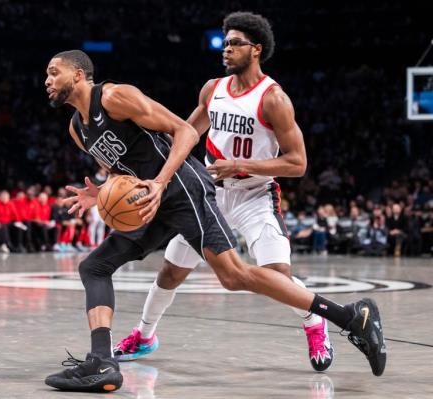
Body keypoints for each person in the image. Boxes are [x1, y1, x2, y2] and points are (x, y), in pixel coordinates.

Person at [43, 49, 386, 393]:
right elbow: (124, 170)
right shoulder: (78, 129)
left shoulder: (116, 96)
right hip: (151, 200)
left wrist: (161, 183)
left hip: (181, 189)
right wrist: (101, 193)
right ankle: (102, 362)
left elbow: (186, 132)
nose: (47, 80)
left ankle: (351, 317)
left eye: (53, 72)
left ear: (78, 74)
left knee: (234, 276)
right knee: (95, 267)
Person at [114, 11, 333, 372]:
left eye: (235, 44)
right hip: (209, 195)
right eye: (225, 43)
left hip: (254, 195)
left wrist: (242, 166)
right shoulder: (212, 89)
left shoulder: (274, 99)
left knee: (277, 274)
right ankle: (144, 334)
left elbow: (297, 163)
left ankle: (313, 321)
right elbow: (186, 133)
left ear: (256, 49)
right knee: (171, 271)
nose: (226, 49)